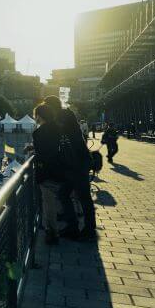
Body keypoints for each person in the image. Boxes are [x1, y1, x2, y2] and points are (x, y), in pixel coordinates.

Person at [42, 96, 97, 242]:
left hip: (78, 163)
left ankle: (89, 230)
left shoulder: (64, 115)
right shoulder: (60, 117)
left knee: (83, 197)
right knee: (64, 194)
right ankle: (72, 227)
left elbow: (57, 132)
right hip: (71, 165)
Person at [32, 102, 69, 244]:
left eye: (36, 116)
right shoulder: (59, 128)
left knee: (48, 203)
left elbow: (41, 152)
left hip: (46, 172)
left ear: (39, 116)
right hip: (61, 169)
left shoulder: (38, 133)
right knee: (57, 200)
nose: (35, 118)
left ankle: (52, 232)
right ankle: (60, 226)